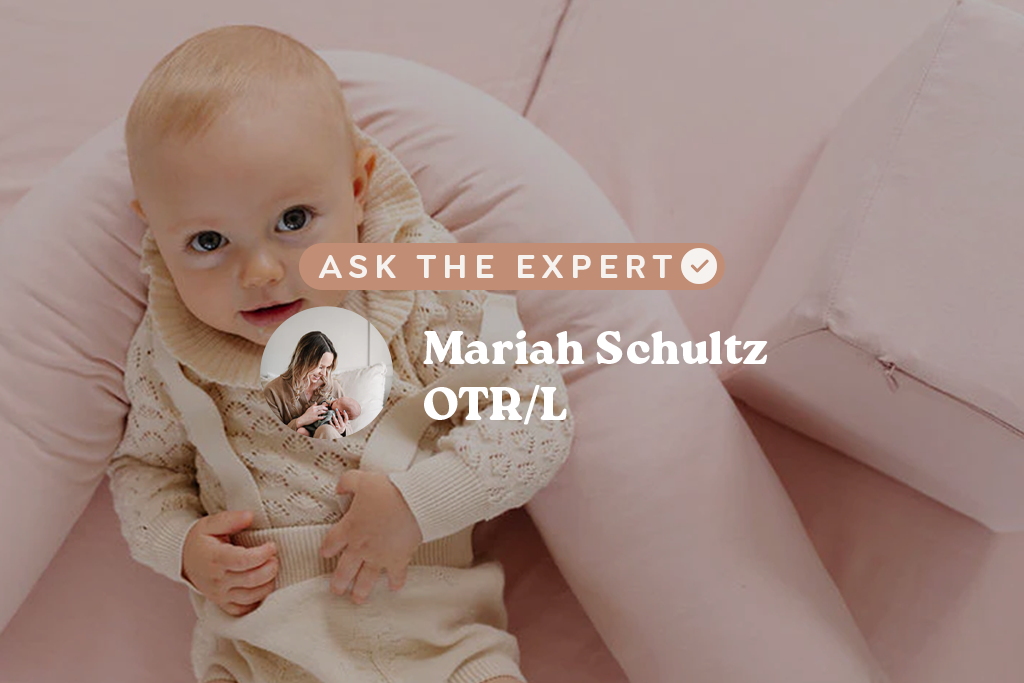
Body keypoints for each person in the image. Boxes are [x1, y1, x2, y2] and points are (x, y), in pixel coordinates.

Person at [106, 24, 572, 683]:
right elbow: (143, 471)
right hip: (263, 652)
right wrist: (181, 546)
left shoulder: (419, 288)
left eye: (293, 220)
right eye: (209, 241)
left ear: (357, 189)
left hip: (439, 641)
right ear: (155, 229)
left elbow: (536, 414)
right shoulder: (171, 351)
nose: (261, 271)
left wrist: (419, 502)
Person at [262, 330, 362, 438]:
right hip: (295, 447)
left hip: (331, 445)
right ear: (301, 358)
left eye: (327, 367)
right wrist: (300, 421)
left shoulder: (333, 387)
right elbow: (271, 436)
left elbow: (349, 432)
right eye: (320, 366)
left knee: (326, 430)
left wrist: (342, 430)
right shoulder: (273, 391)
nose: (324, 373)